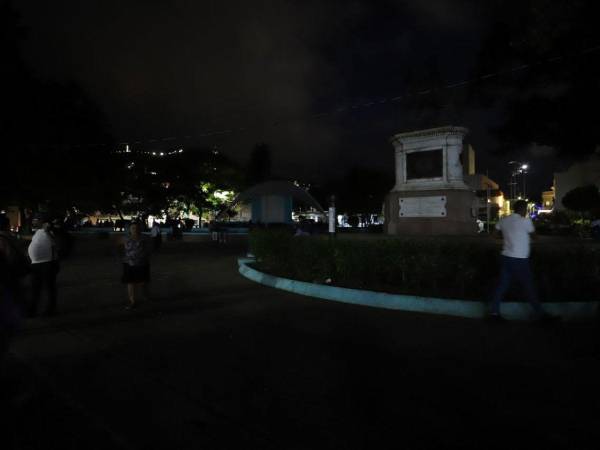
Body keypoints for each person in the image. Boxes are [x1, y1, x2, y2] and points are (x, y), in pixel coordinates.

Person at [489, 200, 555, 321]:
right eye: (526, 209)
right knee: (529, 286)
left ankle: (494, 312)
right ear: (523, 209)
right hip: (520, 259)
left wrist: (508, 237)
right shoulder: (525, 221)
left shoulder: (504, 220)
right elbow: (535, 237)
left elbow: (494, 235)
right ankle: (540, 314)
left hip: (506, 257)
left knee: (502, 286)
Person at [28, 217, 59, 317]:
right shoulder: (38, 232)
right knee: (35, 288)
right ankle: (32, 309)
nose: (34, 222)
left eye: (36, 220)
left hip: (47, 263)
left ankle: (50, 309)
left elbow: (55, 243)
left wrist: (47, 231)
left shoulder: (50, 232)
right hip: (35, 264)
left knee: (49, 287)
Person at [120, 222, 151, 309]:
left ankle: (145, 296)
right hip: (129, 263)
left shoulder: (145, 237)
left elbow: (149, 249)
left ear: (140, 229)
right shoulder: (125, 238)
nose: (135, 230)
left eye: (137, 228)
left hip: (142, 263)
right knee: (130, 283)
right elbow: (118, 247)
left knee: (143, 282)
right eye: (133, 228)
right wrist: (123, 257)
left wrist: (145, 256)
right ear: (129, 229)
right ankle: (132, 301)